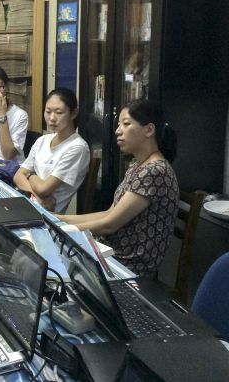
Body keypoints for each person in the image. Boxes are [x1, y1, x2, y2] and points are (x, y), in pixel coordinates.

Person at [58, 99, 179, 277]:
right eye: (118, 124)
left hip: (127, 267)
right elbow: (108, 213)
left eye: (126, 124)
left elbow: (109, 225)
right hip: (109, 254)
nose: (117, 130)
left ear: (149, 130)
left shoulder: (155, 172)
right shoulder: (137, 166)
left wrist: (62, 228)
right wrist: (60, 219)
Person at [13, 88, 90, 214]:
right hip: (27, 205)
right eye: (48, 112)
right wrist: (36, 194)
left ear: (74, 113)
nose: (52, 118)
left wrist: (31, 176)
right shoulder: (42, 140)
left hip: (46, 216)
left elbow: (44, 189)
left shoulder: (77, 147)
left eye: (59, 112)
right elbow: (18, 176)